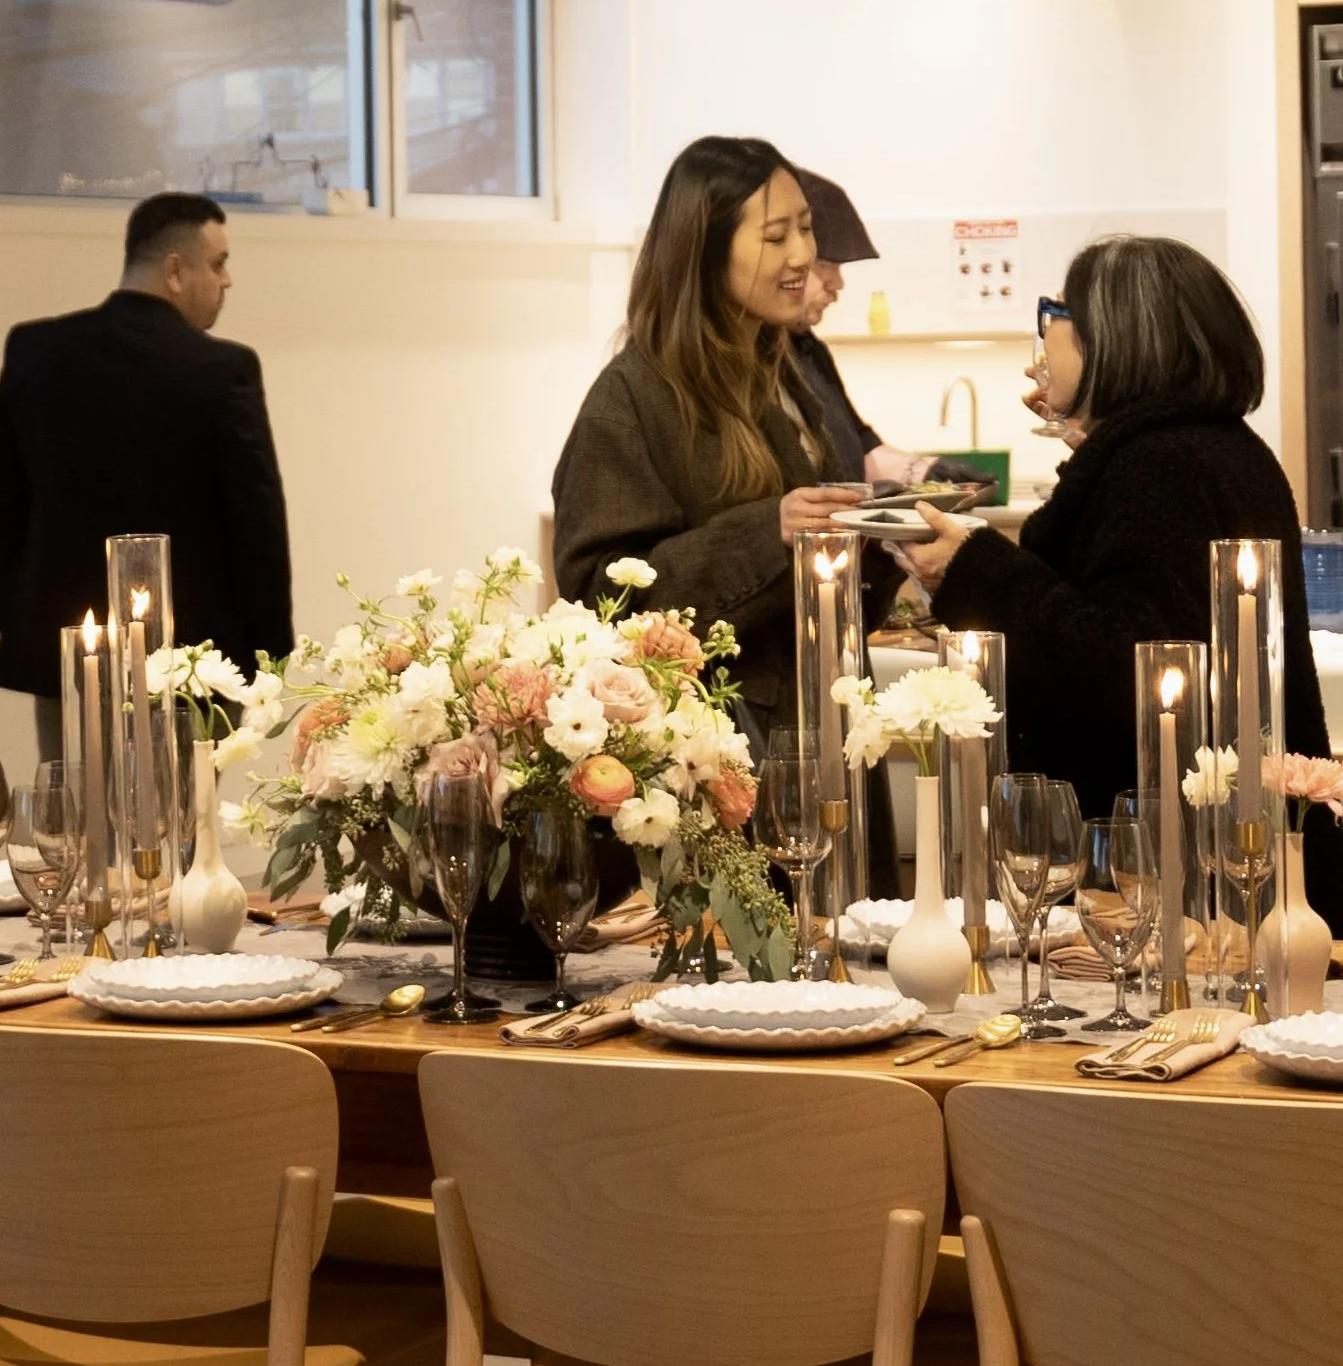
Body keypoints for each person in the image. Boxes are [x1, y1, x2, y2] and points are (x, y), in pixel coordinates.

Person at [899, 233, 1343, 928]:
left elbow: (1123, 661)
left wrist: (973, 566)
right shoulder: (1210, 446)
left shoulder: (1156, 465)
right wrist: (1086, 432)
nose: (1043, 342)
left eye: (1057, 316)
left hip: (1158, 872)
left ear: (1115, 337)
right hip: (1235, 850)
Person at [552, 136, 882, 735]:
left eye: (806, 229)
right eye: (777, 236)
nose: (803, 254)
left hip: (820, 715)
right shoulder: (633, 396)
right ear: (705, 250)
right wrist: (768, 532)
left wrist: (881, 536)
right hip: (714, 742)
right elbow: (598, 600)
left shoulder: (782, 368)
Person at [0, 191, 293, 757]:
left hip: (68, 654)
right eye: (218, 263)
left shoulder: (34, 351)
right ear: (176, 270)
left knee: (74, 827)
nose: (227, 281)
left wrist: (22, 616)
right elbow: (257, 528)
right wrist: (268, 661)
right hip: (194, 664)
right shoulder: (223, 371)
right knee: (180, 834)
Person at [791, 167, 993, 494]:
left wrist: (930, 471)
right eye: (825, 265)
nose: (838, 283)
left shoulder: (810, 352)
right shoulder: (754, 363)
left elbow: (865, 449)